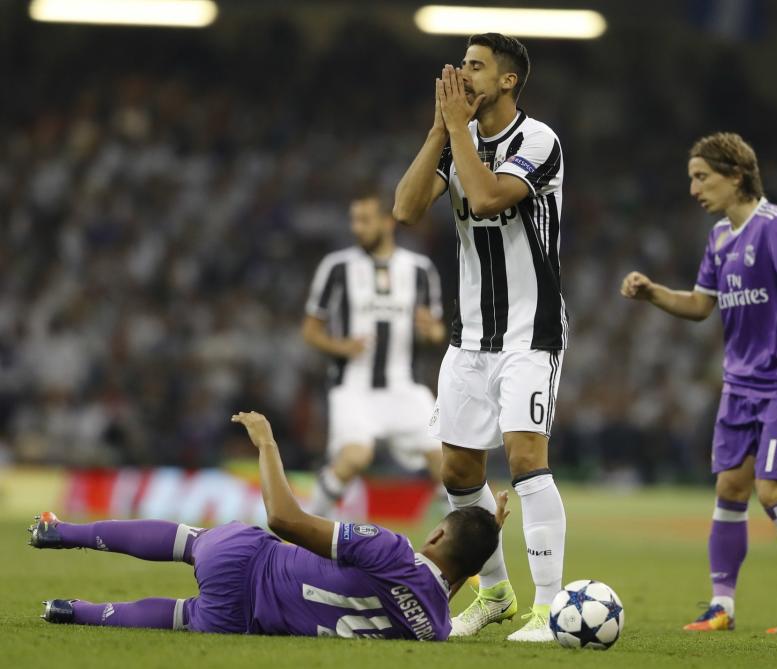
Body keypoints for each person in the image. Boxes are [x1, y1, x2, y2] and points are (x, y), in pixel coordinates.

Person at [30, 411, 507, 641]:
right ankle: (70, 611)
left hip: (249, 559)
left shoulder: (392, 550)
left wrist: (267, 445)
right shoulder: (435, 628)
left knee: (186, 541)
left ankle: (61, 533)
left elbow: (285, 519)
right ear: (466, 571)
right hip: (242, 622)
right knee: (179, 615)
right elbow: (434, 588)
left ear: (437, 535)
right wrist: (487, 537)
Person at [621, 132, 777, 635]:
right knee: (730, 487)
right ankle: (722, 605)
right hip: (740, 386)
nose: (694, 188)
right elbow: (700, 306)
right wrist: (653, 293)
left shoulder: (774, 225)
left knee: (773, 488)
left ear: (735, 174)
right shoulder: (719, 237)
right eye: (691, 178)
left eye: (702, 177)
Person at [392, 33, 568, 642]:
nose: (463, 73)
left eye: (476, 66)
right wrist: (442, 131)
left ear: (509, 80)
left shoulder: (538, 140)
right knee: (459, 469)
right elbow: (406, 208)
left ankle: (548, 608)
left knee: (524, 459)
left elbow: (490, 198)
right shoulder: (456, 140)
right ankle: (494, 593)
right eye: (461, 64)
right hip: (471, 335)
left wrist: (459, 133)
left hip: (530, 330)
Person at [302, 190, 447, 515]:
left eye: (365, 220)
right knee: (355, 457)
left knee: (447, 464)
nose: (357, 227)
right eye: (354, 220)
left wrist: (430, 330)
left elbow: (436, 331)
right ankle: (303, 527)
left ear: (387, 221)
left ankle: (462, 555)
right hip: (354, 386)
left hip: (404, 387)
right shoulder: (337, 267)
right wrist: (341, 346)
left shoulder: (420, 270)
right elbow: (310, 330)